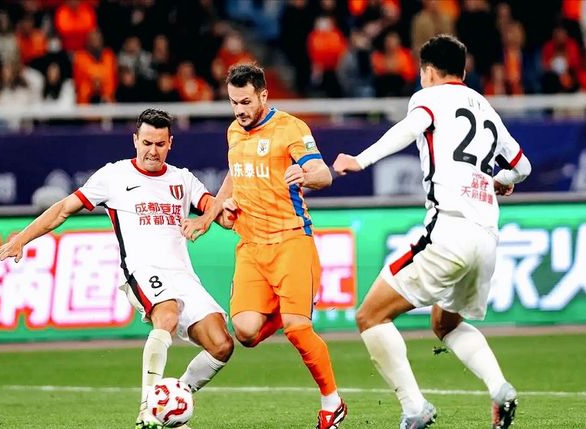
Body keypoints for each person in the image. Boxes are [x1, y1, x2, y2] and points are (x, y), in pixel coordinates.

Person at [333, 35, 531, 429]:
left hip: (449, 230)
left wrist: (360, 159)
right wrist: (500, 180)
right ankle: (499, 388)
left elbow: (409, 128)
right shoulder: (486, 107)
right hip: (486, 238)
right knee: (445, 323)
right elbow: (522, 167)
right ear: (464, 70)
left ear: (427, 72)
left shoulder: (429, 98)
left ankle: (414, 408)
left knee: (370, 316)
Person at [0, 109, 235, 429]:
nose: (153, 151)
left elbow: (216, 213)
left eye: (160, 144)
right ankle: (147, 410)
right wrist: (22, 238)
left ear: (170, 143)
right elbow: (64, 209)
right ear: (135, 140)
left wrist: (226, 211)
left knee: (221, 345)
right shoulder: (114, 176)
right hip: (141, 270)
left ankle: (170, 401)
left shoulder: (182, 179)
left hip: (183, 276)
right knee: (167, 312)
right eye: (146, 143)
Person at [182, 64, 347, 429]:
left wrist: (306, 174)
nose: (239, 110)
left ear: (263, 96)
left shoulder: (291, 128)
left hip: (290, 239)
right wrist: (208, 217)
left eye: (245, 102)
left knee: (297, 329)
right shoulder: (234, 132)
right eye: (233, 102)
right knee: (245, 332)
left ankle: (332, 403)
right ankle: (291, 307)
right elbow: (234, 173)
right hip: (251, 246)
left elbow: (322, 173)